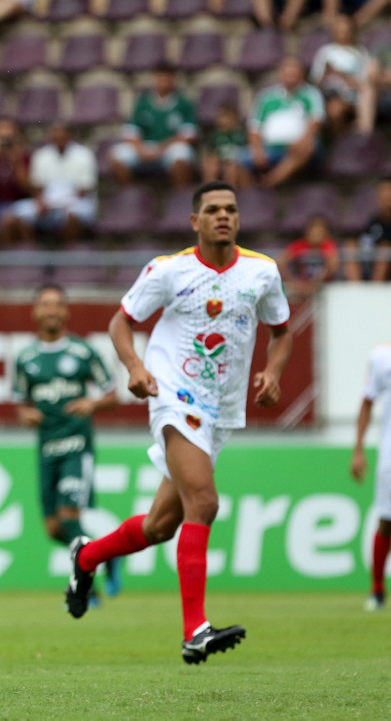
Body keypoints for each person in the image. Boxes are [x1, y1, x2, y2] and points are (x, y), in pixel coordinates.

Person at [63, 181, 293, 665]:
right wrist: (134, 367)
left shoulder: (262, 272)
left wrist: (273, 372)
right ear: (195, 221)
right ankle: (195, 631)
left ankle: (86, 557)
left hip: (221, 409)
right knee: (204, 502)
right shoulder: (169, 271)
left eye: (231, 209)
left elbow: (282, 332)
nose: (223, 216)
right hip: (172, 395)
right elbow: (120, 322)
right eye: (213, 210)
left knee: (161, 526)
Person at [12, 284, 121, 597]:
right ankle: (106, 555)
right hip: (46, 450)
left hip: (77, 447)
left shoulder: (83, 352)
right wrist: (26, 415)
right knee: (54, 529)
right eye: (45, 304)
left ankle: (86, 589)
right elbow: (20, 403)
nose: (51, 310)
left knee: (69, 515)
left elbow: (112, 395)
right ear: (35, 312)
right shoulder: (25, 359)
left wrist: (91, 403)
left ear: (66, 311)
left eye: (57, 304)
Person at [0, 122, 97, 245]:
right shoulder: (42, 155)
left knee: (72, 215)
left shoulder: (84, 154)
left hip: (75, 201)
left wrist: (56, 204)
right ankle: (30, 252)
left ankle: (69, 253)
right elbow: (37, 186)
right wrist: (41, 201)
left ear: (69, 136)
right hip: (47, 200)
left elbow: (84, 190)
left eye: (62, 135)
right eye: (55, 135)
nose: (58, 138)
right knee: (11, 216)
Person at [110, 65, 197, 187]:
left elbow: (188, 135)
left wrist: (162, 149)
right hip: (145, 146)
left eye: (168, 78)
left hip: (169, 148)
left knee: (182, 154)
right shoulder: (143, 103)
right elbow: (130, 132)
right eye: (161, 78)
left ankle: (180, 195)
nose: (164, 82)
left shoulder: (184, 104)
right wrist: (140, 149)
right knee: (117, 154)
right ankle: (132, 193)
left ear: (174, 80)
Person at [351, 343, 391, 611]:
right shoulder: (381, 358)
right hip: (390, 453)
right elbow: (367, 403)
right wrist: (358, 449)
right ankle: (377, 589)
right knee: (387, 520)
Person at [243, 58, 324, 188]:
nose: (291, 78)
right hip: (269, 147)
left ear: (302, 75)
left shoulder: (311, 94)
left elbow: (316, 121)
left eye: (294, 74)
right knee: (235, 160)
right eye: (288, 74)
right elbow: (254, 127)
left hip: (297, 147)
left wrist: (302, 140)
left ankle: (269, 183)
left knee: (307, 148)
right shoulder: (266, 97)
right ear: (280, 75)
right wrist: (257, 150)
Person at [310, 13, 376, 136]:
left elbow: (364, 82)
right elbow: (315, 81)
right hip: (329, 94)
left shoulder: (360, 52)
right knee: (334, 109)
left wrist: (342, 74)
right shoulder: (325, 52)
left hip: (352, 95)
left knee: (337, 109)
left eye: (346, 30)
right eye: (340, 30)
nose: (343, 33)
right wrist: (326, 73)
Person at [280, 215, 339, 298]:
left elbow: (332, 267)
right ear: (307, 232)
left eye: (319, 233)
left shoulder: (328, 245)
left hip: (323, 289)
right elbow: (279, 263)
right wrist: (293, 281)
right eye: (314, 232)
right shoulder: (299, 245)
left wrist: (314, 283)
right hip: (300, 289)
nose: (316, 235)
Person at [345, 177, 391, 281]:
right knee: (350, 246)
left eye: (388, 191)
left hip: (386, 265)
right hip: (372, 261)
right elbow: (366, 241)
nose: (385, 195)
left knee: (384, 249)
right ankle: (356, 288)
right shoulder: (374, 221)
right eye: (382, 191)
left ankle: (375, 288)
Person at [201, 104, 248, 186]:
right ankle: (209, 190)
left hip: (236, 162)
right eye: (221, 116)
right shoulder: (215, 135)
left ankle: (231, 192)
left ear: (235, 118)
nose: (223, 120)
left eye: (227, 116)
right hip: (220, 161)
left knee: (232, 169)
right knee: (210, 166)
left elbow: (246, 152)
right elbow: (210, 153)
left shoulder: (241, 134)